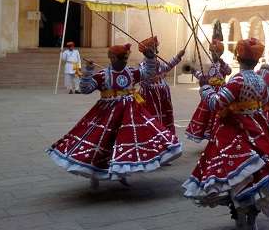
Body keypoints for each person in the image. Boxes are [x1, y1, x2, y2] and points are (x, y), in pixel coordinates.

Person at [183, 38, 269, 229]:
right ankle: (249, 219)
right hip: (256, 128)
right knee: (256, 175)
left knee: (235, 176)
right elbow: (266, 98)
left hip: (233, 131)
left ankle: (242, 218)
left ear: (237, 56)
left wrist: (204, 86)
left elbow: (215, 103)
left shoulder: (237, 80)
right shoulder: (259, 80)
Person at [46, 44, 182, 189]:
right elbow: (85, 89)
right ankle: (94, 175)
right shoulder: (103, 75)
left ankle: (121, 174)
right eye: (121, 59)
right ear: (111, 58)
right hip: (107, 115)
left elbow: (148, 73)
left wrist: (150, 58)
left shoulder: (131, 72)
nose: (123, 61)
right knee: (102, 143)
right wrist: (88, 71)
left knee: (125, 143)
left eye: (125, 58)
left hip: (129, 115)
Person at [186, 39, 232, 142]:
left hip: (219, 93)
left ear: (220, 53)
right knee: (206, 115)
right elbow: (206, 78)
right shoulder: (212, 65)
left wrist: (221, 61)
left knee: (215, 115)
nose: (212, 55)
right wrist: (194, 72)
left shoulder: (221, 64)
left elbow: (229, 71)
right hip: (210, 91)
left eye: (215, 53)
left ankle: (216, 136)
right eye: (211, 53)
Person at [137, 36, 184, 135]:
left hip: (162, 94)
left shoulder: (157, 62)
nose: (157, 50)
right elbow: (145, 79)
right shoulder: (143, 64)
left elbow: (167, 67)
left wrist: (178, 57)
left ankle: (165, 136)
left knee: (164, 116)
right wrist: (156, 77)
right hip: (150, 96)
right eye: (154, 48)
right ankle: (154, 136)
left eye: (156, 48)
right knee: (153, 116)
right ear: (148, 51)